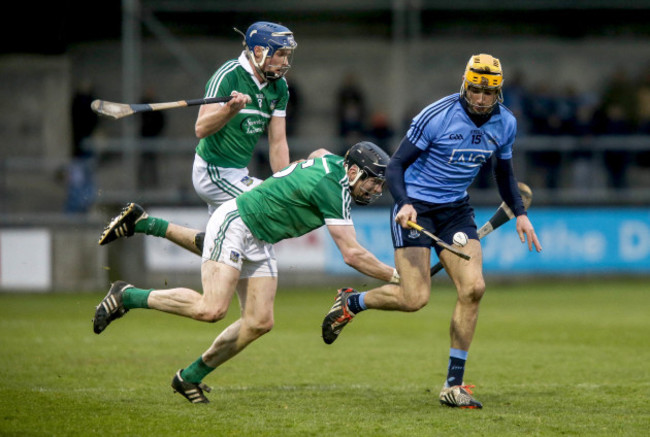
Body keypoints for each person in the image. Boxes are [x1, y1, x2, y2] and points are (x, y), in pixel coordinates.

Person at [93, 141, 401, 404]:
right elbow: (352, 254)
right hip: (237, 222)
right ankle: (127, 295)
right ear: (352, 171)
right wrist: (397, 276)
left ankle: (189, 377)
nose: (375, 189)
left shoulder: (332, 163)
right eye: (371, 181)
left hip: (260, 239)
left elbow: (317, 153)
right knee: (211, 309)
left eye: (379, 184)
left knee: (259, 322)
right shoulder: (333, 189)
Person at [321, 54, 543, 409]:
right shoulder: (436, 116)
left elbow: (504, 172)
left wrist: (520, 213)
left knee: (474, 288)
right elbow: (396, 165)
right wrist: (405, 202)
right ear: (464, 85)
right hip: (417, 207)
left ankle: (453, 386)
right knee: (414, 299)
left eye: (489, 92)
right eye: (475, 90)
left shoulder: (506, 123)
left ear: (498, 92)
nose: (481, 98)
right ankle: (352, 302)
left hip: (456, 209)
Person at [192, 21, 297, 216]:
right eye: (280, 54)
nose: (285, 62)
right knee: (267, 203)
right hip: (212, 172)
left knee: (224, 243)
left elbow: (278, 142)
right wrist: (229, 111)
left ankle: (149, 223)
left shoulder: (280, 87)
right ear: (258, 51)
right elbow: (201, 129)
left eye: (287, 55)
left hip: (239, 173)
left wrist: (285, 184)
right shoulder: (228, 75)